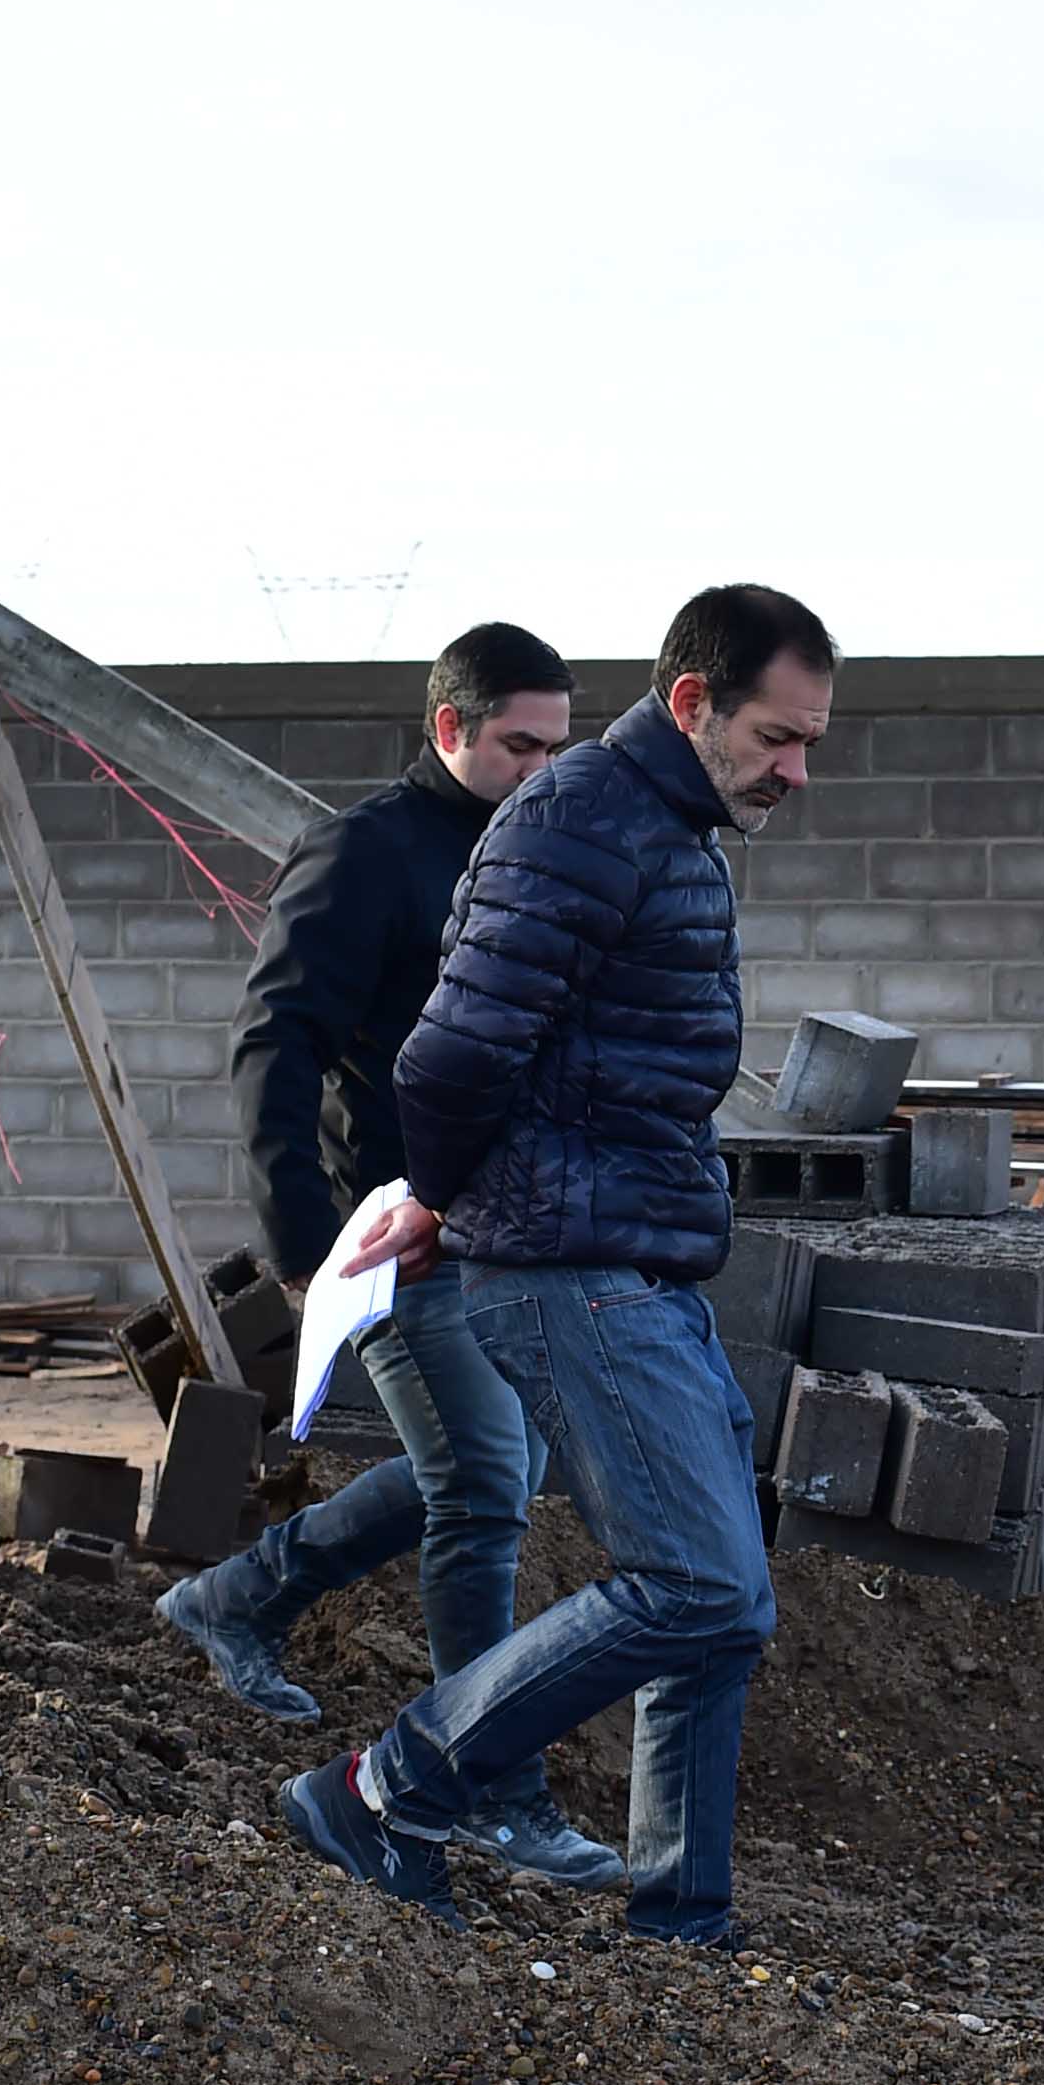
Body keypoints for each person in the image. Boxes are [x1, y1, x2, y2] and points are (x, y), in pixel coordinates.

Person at [274, 584, 836, 1946]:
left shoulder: (668, 825)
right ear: (691, 701)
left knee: (728, 1609)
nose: (797, 771)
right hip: (568, 1263)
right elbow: (451, 1054)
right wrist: (453, 1199)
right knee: (693, 1583)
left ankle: (679, 1922)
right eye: (777, 735)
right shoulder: (583, 817)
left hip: (637, 1255)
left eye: (812, 740)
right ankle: (381, 1788)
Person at [156, 621, 621, 1888]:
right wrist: (309, 1238)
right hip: (396, 1232)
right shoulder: (365, 853)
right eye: (516, 745)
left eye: (555, 747)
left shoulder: (546, 860)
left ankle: (237, 1597)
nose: (540, 769)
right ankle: (482, 1783)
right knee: (480, 1478)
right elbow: (275, 1040)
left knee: (481, 1469)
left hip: (512, 1230)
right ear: (448, 729)